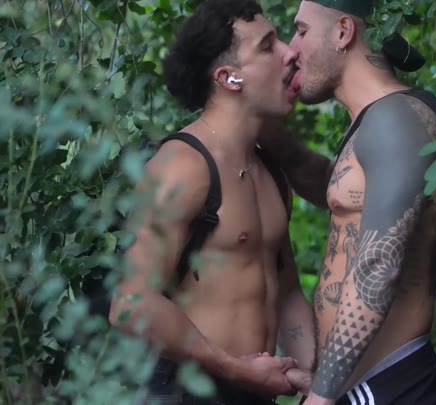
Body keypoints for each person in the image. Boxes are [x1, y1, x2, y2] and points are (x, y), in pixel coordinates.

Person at [107, 1, 315, 404]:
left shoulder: (268, 169)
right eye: (267, 46)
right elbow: (130, 304)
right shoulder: (181, 167)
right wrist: (237, 370)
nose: (290, 52)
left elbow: (288, 293)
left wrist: (319, 384)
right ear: (229, 78)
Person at [261, 0, 436, 404]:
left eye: (301, 31)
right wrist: (269, 135)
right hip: (367, 387)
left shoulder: (395, 119)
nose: (292, 50)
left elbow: (380, 263)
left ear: (343, 32)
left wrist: (321, 397)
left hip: (389, 385)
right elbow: (345, 193)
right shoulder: (380, 118)